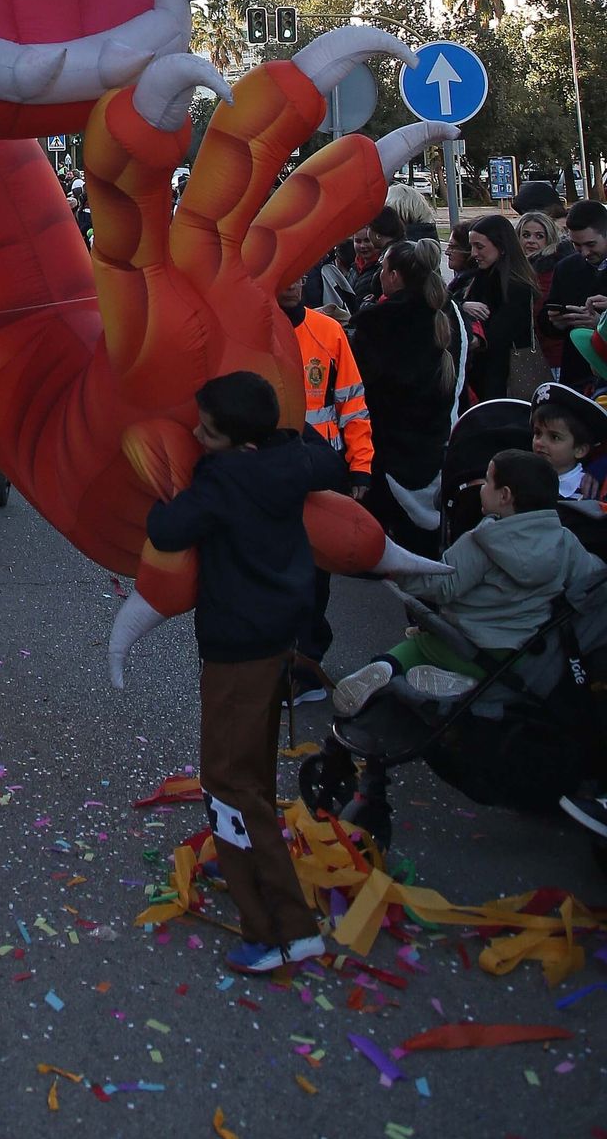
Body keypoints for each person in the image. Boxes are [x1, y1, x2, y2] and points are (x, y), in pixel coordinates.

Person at [144, 370, 345, 974]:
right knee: (251, 775)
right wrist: (286, 437)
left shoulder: (223, 480)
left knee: (229, 786)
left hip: (235, 651)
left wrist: (167, 484)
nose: (197, 438)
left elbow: (166, 528)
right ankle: (259, 887)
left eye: (207, 433)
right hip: (278, 642)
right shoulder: (291, 462)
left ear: (237, 441)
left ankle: (281, 928)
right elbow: (329, 461)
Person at [331, 448, 604, 711]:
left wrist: (398, 572)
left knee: (420, 645)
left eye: (488, 481)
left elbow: (443, 584)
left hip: (468, 644)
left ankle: (387, 666)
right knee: (468, 657)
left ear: (504, 496)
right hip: (522, 654)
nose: (482, 487)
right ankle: (465, 683)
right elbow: (592, 578)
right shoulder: (566, 542)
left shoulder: (483, 541)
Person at [275, 278, 373, 698]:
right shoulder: (249, 330)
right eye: (285, 276)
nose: (293, 283)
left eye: (300, 275)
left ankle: (308, 665)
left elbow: (353, 404)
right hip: (271, 475)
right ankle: (277, 661)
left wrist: (360, 467)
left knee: (315, 576)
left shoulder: (328, 332)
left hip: (320, 476)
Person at [349, 239, 465, 558]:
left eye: (384, 269)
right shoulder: (452, 313)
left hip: (389, 450)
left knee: (394, 545)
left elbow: (362, 388)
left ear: (394, 276)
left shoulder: (378, 323)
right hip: (441, 441)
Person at [464, 214, 540, 399]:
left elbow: (500, 334)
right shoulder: (479, 276)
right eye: (471, 246)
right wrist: (463, 305)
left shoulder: (516, 286)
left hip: (504, 378)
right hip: (482, 375)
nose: (473, 253)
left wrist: (474, 339)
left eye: (479, 247)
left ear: (501, 246)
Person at [544, 201, 607, 389]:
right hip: (576, 374)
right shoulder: (566, 267)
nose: (584, 252)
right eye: (576, 245)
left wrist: (601, 324)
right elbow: (548, 317)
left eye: (590, 244)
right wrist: (555, 322)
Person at [529, 378, 607, 504]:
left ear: (580, 450)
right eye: (537, 433)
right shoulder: (523, 481)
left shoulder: (590, 491)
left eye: (554, 437)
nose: (539, 442)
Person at [517, 209, 568, 366]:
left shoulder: (550, 271)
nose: (531, 241)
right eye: (526, 235)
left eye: (539, 236)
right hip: (524, 356)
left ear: (549, 239)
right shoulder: (516, 269)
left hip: (551, 356)